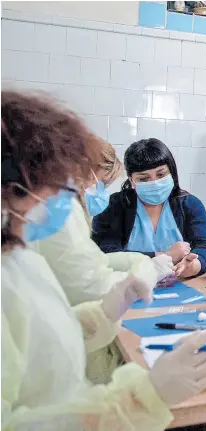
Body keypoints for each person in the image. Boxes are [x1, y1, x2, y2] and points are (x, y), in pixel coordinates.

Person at [1, 91, 206, 430]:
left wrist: (97, 317)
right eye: (61, 186)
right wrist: (142, 399)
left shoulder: (23, 257)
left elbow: (40, 343)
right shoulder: (117, 207)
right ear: (12, 191)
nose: (67, 201)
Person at [29, 137, 174, 385]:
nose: (102, 191)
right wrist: (147, 272)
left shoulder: (186, 203)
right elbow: (91, 285)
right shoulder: (61, 210)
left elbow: (94, 259)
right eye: (103, 183)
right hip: (54, 337)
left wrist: (139, 260)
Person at [92, 138, 206, 278]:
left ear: (172, 172)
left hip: (179, 284)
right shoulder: (114, 205)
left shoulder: (189, 204)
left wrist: (194, 265)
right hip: (128, 285)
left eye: (161, 174)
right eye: (144, 179)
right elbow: (106, 252)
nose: (155, 183)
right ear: (131, 180)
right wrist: (165, 256)